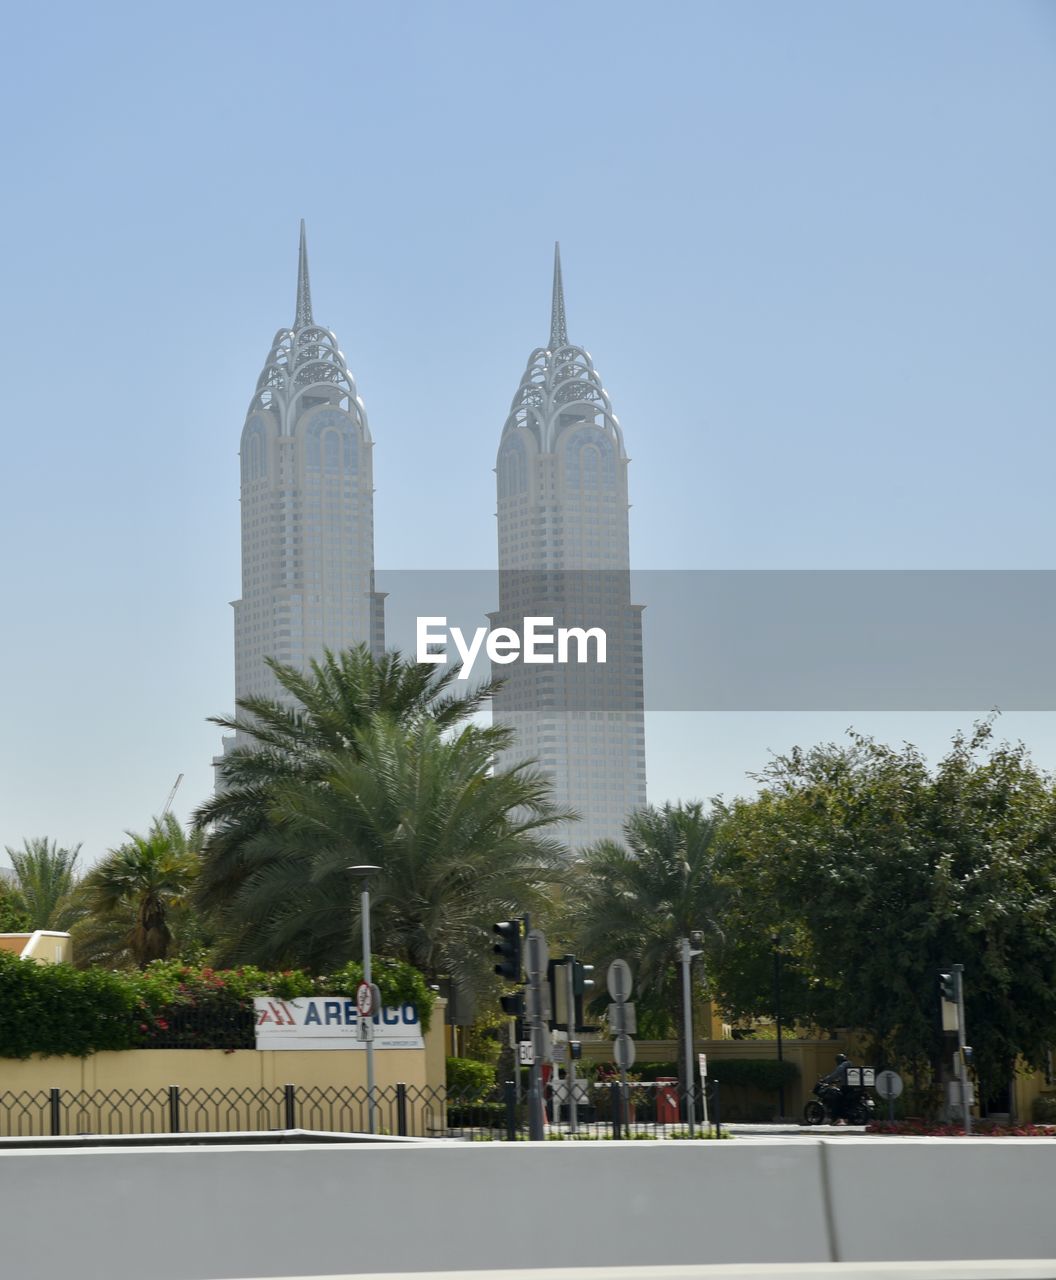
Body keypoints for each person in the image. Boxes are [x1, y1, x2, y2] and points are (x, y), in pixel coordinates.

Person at [820, 1053, 853, 1123]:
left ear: (838, 1060)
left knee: (836, 1099)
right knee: (843, 1100)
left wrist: (826, 1080)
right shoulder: (850, 1064)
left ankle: (836, 1117)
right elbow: (846, 1076)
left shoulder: (842, 1066)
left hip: (846, 1087)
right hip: (852, 1086)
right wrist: (838, 1080)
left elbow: (836, 1074)